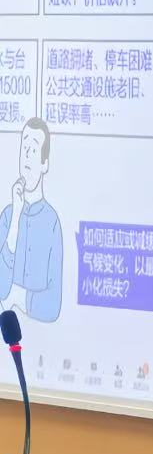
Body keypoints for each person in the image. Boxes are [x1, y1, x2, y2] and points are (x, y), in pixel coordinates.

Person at [0, 119, 63, 322]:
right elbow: (1, 289)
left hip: (46, 338)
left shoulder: (52, 222)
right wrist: (16, 218)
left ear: (45, 164)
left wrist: (17, 296)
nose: (26, 155)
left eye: (33, 149)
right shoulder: (7, 215)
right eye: (24, 147)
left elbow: (52, 306)